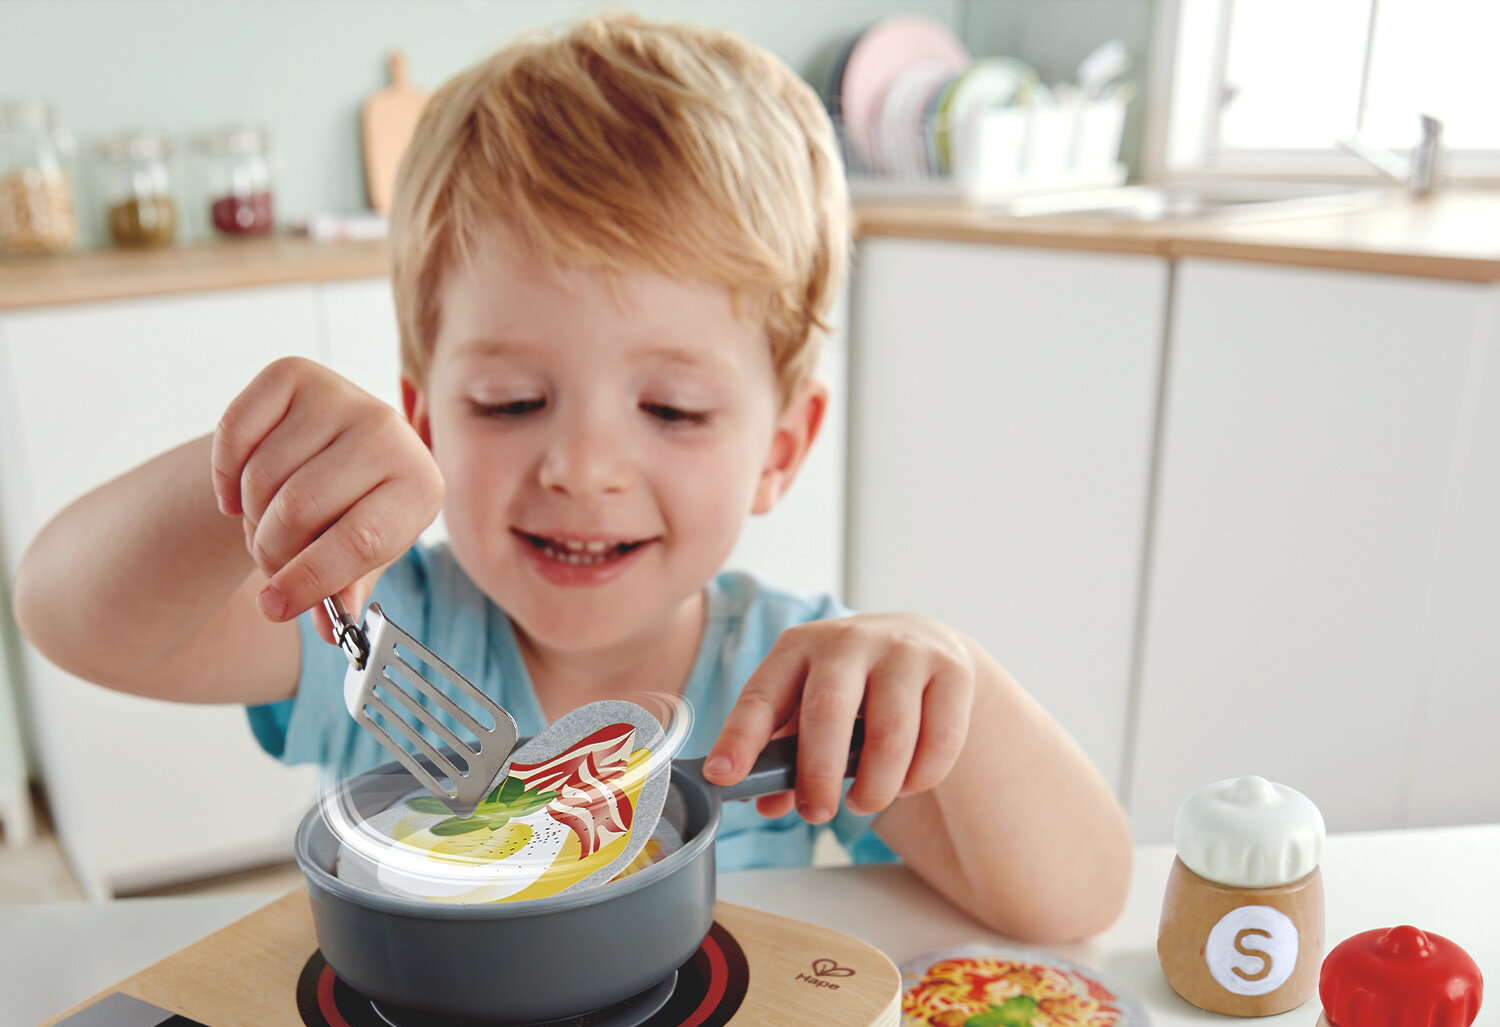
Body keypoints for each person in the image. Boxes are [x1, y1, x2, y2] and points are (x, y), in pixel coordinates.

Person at [14, 14, 1130, 941]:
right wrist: (260, 483)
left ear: (781, 450)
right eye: (510, 402)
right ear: (425, 419)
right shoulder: (378, 626)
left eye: (673, 409)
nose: (583, 469)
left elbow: (1078, 902)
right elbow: (71, 619)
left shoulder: (802, 692)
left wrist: (956, 678)